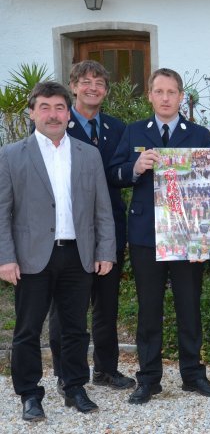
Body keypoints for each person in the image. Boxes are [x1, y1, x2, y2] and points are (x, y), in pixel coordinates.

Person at [0, 82, 115, 421]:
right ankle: (29, 394)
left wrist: (105, 250)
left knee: (75, 327)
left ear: (68, 113)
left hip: (77, 254)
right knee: (27, 329)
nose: (53, 114)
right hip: (32, 256)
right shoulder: (10, 155)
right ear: (32, 112)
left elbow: (102, 209)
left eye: (59, 108)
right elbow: (2, 211)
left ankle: (74, 386)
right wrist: (5, 257)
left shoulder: (87, 154)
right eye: (45, 107)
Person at [108, 68, 210, 404]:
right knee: (149, 308)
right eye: (159, 92)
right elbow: (114, 174)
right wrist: (135, 167)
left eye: (172, 92)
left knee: (189, 306)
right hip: (146, 234)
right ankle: (149, 378)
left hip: (189, 234)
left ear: (181, 96)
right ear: (150, 95)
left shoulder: (200, 134)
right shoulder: (133, 132)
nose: (166, 98)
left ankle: (193, 374)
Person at [48, 60, 134, 394]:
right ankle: (64, 373)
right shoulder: (58, 124)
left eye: (99, 83)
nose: (92, 87)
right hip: (68, 232)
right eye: (86, 82)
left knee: (106, 306)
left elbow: (120, 173)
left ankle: (106, 370)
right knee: (66, 308)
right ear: (73, 87)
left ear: (106, 91)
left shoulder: (117, 128)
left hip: (108, 229)